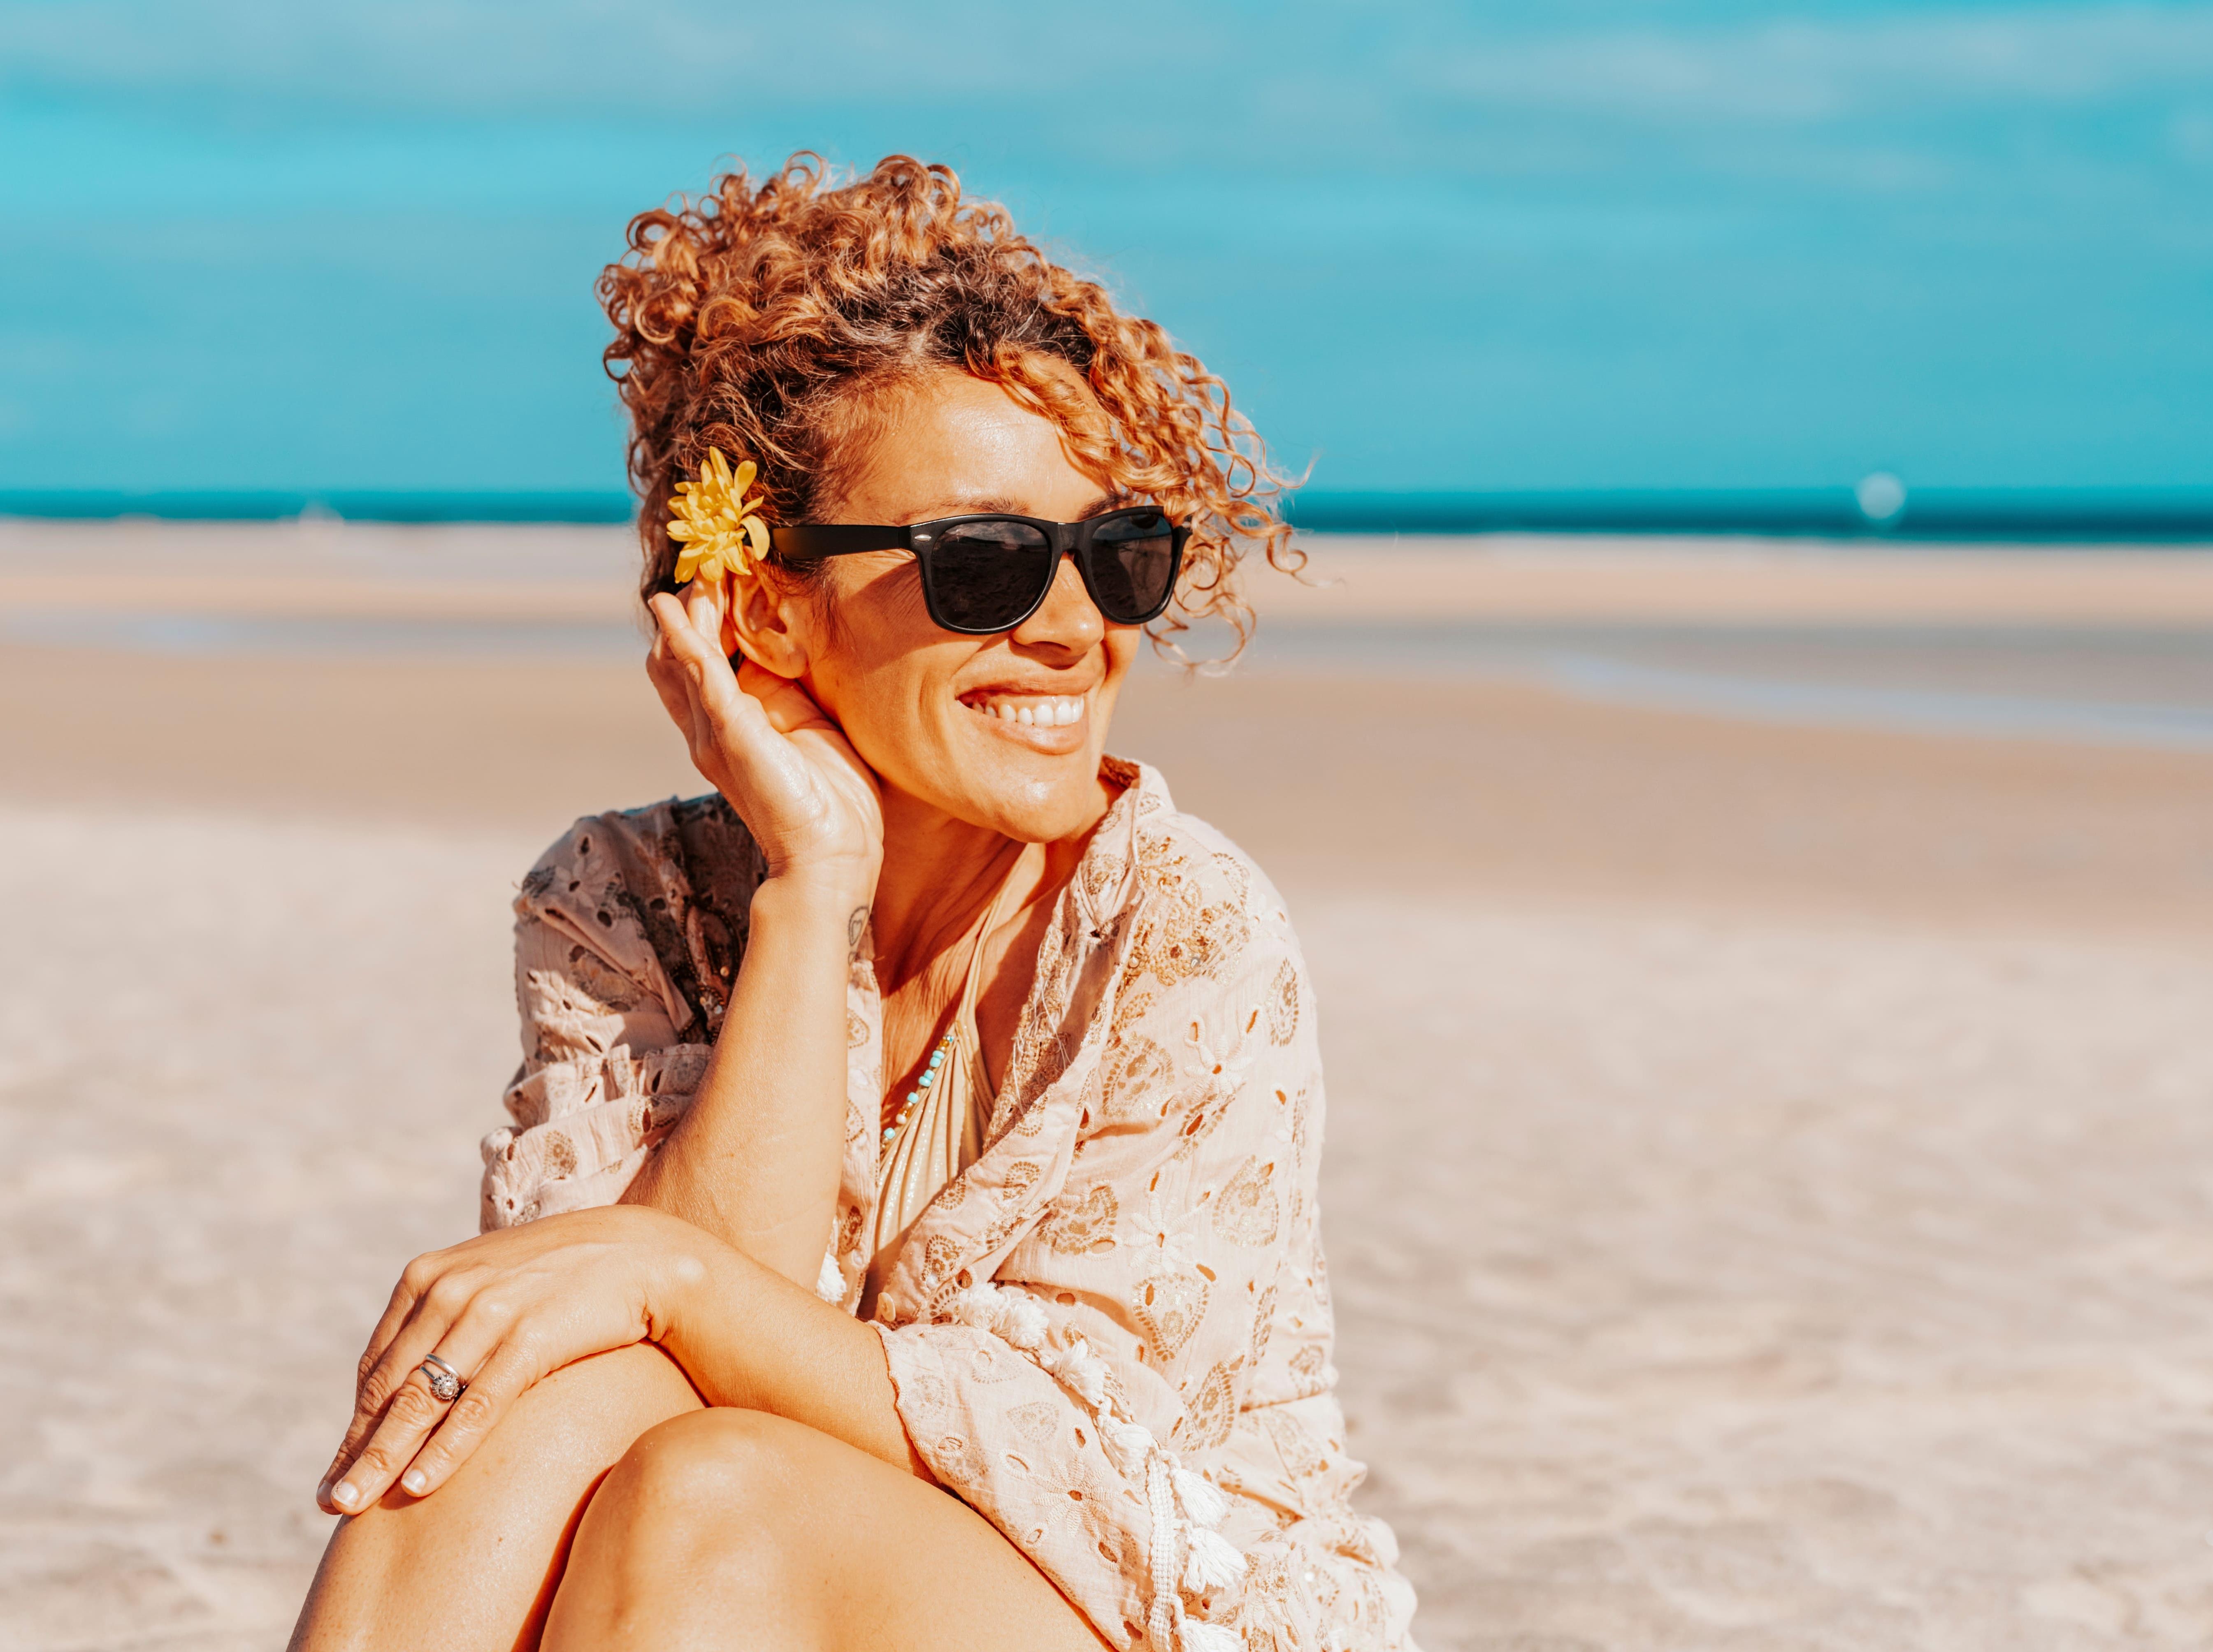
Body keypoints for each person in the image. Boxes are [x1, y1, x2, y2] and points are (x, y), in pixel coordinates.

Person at [288, 153, 1418, 1652]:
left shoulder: (1184, 927)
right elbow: (589, 1343)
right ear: (762, 602)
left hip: (1147, 1608)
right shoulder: (621, 896)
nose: (1075, 628)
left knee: (715, 1488)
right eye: (987, 564)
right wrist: (813, 888)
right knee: (526, 1402)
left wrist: (668, 1272)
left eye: (1115, 555)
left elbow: (1061, 1467)